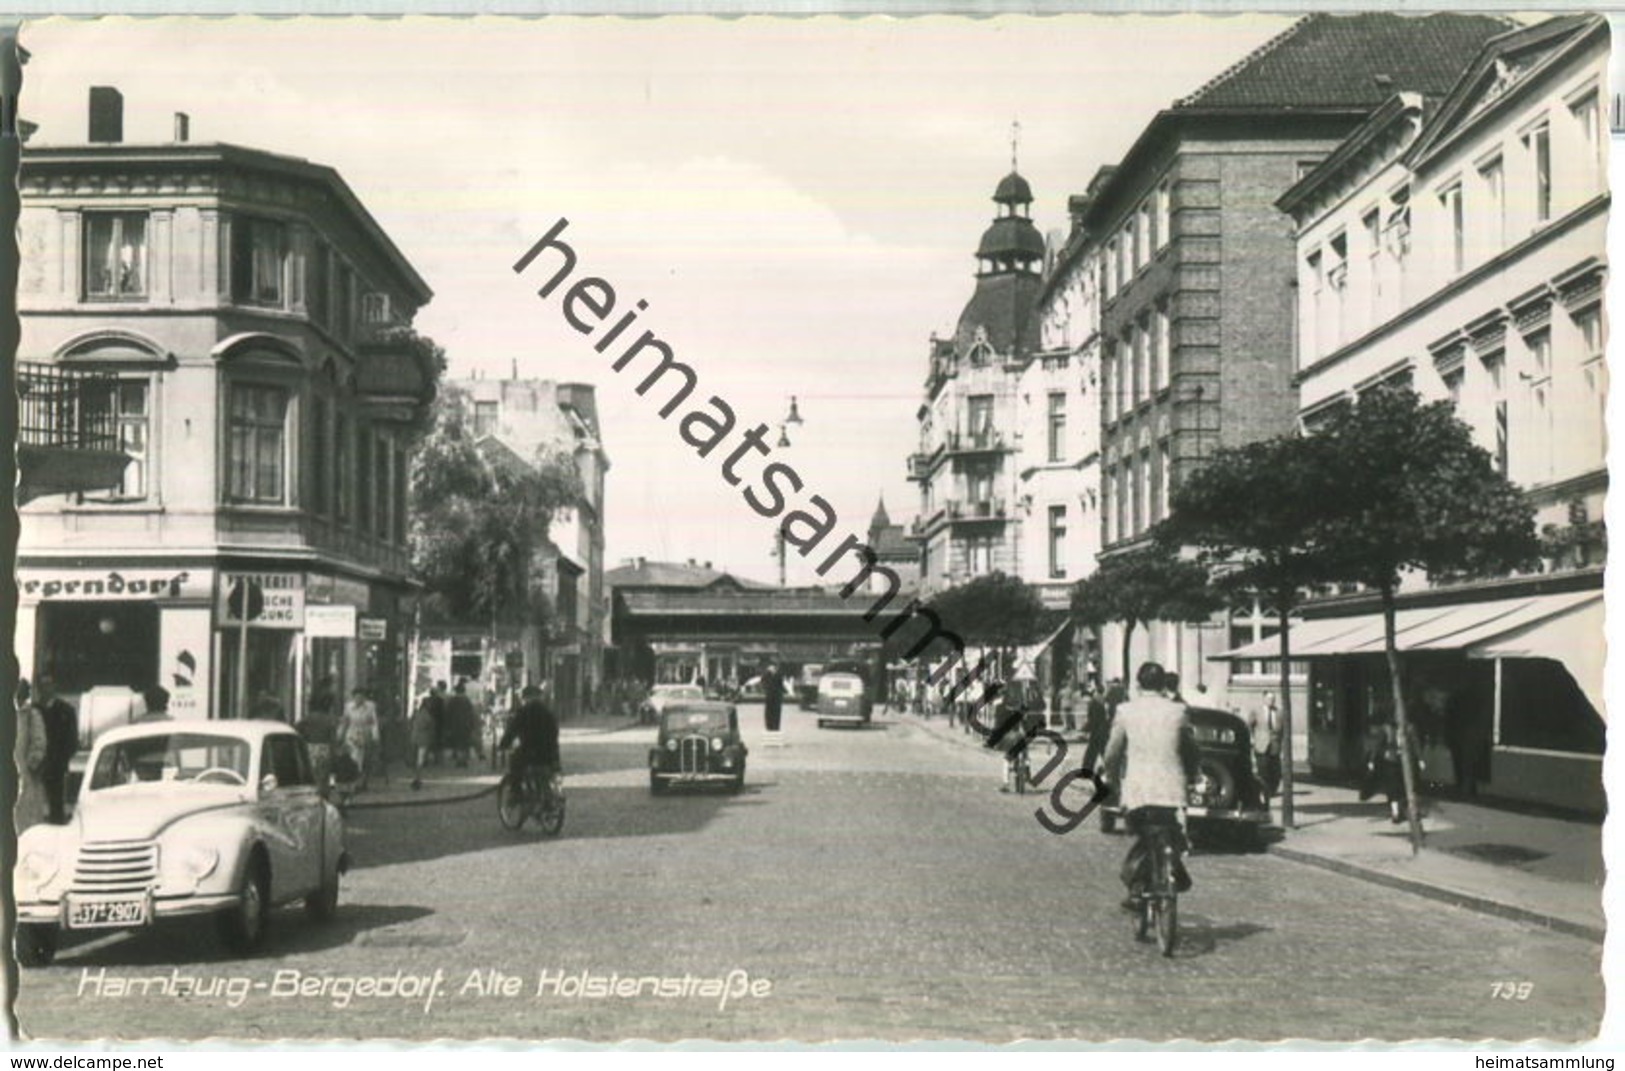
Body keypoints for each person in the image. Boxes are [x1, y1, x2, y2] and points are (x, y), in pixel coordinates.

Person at [1102, 662, 1199, 911]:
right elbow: (1190, 750)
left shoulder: (1126, 711)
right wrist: (1192, 776)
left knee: (1143, 835)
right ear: (1163, 685)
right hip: (1170, 788)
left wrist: (1110, 778)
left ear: (1138, 684)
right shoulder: (1178, 711)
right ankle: (1172, 872)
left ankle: (1135, 887)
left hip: (1139, 789)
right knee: (1170, 831)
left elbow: (1113, 752)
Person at [499, 684, 561, 801]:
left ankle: (516, 792)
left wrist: (504, 744)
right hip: (549, 753)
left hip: (530, 752)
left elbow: (512, 730)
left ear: (526, 698)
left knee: (515, 762)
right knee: (551, 773)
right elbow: (555, 732)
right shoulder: (548, 712)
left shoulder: (524, 712)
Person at [35, 675, 78, 825]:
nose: (46, 688)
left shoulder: (66, 710)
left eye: (49, 684)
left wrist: (62, 758)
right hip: (36, 762)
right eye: (43, 685)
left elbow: (72, 740)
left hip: (57, 763)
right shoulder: (34, 710)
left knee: (56, 799)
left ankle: (57, 820)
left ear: (54, 687)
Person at [1365, 715, 1422, 824]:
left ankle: (1407, 810)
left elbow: (1415, 743)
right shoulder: (1386, 729)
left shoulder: (1409, 728)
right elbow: (1377, 745)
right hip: (1391, 761)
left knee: (1406, 787)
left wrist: (1420, 759)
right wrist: (1372, 760)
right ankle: (1395, 813)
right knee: (1392, 789)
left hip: (1405, 762)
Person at [15, 680, 48, 833]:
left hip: (25, 776)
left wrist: (30, 764)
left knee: (25, 823)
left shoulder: (31, 715)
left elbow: (39, 742)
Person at [338, 687, 381, 792]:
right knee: (354, 759)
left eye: (361, 697)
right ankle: (354, 783)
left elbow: (374, 722)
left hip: (364, 733)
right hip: (352, 734)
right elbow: (345, 721)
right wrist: (339, 734)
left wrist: (375, 736)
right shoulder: (348, 707)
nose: (359, 699)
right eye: (356, 697)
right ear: (353, 697)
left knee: (364, 760)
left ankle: (362, 782)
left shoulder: (370, 707)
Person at [1248, 692, 1282, 801]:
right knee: (1263, 769)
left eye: (1273, 699)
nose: (1271, 701)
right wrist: (1252, 739)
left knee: (1275, 770)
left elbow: (1283, 729)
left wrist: (1281, 743)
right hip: (1261, 744)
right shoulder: (1256, 711)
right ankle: (1263, 790)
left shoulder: (1279, 713)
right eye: (1268, 699)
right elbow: (1249, 725)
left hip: (1274, 745)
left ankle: (1272, 790)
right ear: (1264, 699)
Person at [446, 680, 477, 768]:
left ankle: (460, 761)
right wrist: (472, 725)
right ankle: (464, 760)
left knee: (458, 743)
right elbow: (471, 714)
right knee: (465, 743)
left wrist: (448, 727)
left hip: (455, 725)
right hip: (466, 725)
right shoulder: (467, 701)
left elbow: (448, 714)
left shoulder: (453, 700)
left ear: (456, 691)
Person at [762, 662, 785, 736]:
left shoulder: (779, 674)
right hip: (769, 696)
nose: (772, 669)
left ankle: (776, 727)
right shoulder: (766, 674)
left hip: (777, 696)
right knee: (769, 713)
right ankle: (769, 727)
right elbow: (763, 683)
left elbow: (781, 684)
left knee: (777, 713)